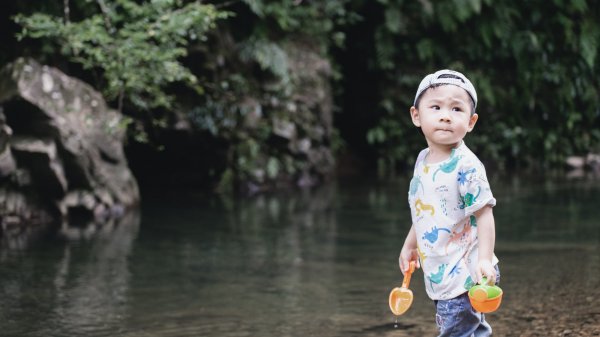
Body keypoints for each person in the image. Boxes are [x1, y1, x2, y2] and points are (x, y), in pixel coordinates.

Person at [398, 69, 499, 337]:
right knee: (470, 329)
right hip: (440, 269)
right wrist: (411, 245)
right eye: (436, 107)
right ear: (416, 116)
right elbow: (423, 211)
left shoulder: (466, 166)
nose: (445, 115)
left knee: (458, 330)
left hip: (466, 270)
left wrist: (486, 260)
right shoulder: (422, 160)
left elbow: (484, 214)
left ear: (471, 121)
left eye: (456, 109)